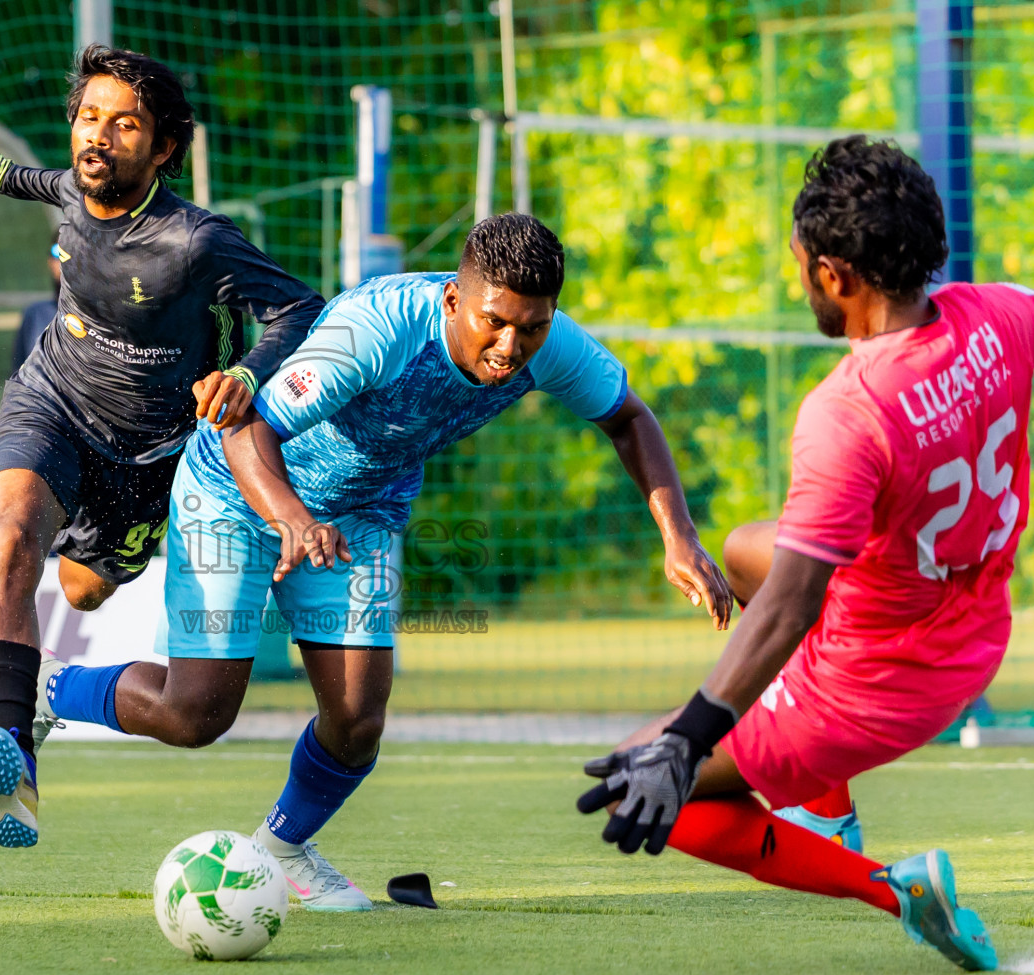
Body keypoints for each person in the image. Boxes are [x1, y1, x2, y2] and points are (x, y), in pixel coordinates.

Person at [38, 213, 733, 909]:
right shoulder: (377, 331)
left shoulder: (547, 344)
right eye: (495, 322)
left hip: (361, 510)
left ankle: (282, 850)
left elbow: (628, 417)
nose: (512, 346)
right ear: (455, 301)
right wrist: (294, 522)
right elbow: (248, 430)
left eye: (533, 327)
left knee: (357, 719)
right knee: (195, 715)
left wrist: (679, 536)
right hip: (233, 488)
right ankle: (51, 690)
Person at [577, 136, 1034, 972]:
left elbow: (788, 609)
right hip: (977, 630)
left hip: (877, 687)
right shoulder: (996, 313)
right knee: (749, 547)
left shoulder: (847, 412)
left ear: (832, 273)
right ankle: (824, 805)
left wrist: (686, 739)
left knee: (637, 780)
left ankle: (892, 886)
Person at [0, 45, 324, 848]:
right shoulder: (77, 187)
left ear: (164, 148)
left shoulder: (198, 243)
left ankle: (46, 694)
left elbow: (301, 309)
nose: (99, 136)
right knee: (11, 541)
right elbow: (44, 184)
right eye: (88, 117)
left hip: (153, 456)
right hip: (52, 401)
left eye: (125, 123)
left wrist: (246, 375)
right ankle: (10, 744)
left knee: (80, 591)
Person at [11, 232, 62, 376]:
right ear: (49, 262)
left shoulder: (101, 315)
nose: (65, 259)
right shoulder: (34, 315)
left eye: (72, 250)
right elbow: (17, 375)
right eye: (58, 252)